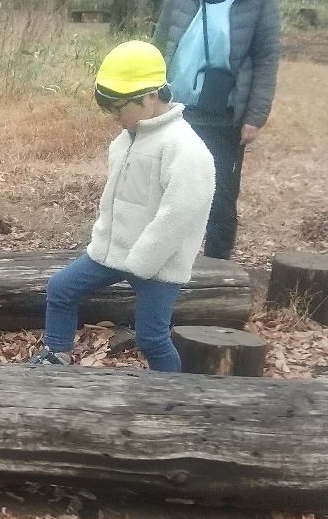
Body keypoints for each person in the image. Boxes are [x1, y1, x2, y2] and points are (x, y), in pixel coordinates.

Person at [29, 41, 215, 372]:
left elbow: (181, 213)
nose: (115, 117)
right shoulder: (128, 137)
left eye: (119, 108)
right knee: (61, 289)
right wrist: (104, 240)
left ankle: (174, 394)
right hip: (114, 252)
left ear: (150, 97)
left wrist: (143, 260)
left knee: (152, 337)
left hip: (156, 264)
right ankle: (56, 354)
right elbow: (115, 200)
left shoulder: (184, 147)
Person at [154, 0, 281, 260]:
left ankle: (217, 267)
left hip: (224, 116)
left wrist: (255, 116)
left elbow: (266, 59)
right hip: (173, 109)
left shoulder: (259, 4)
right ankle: (159, 257)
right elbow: (159, 42)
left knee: (220, 195)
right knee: (165, 187)